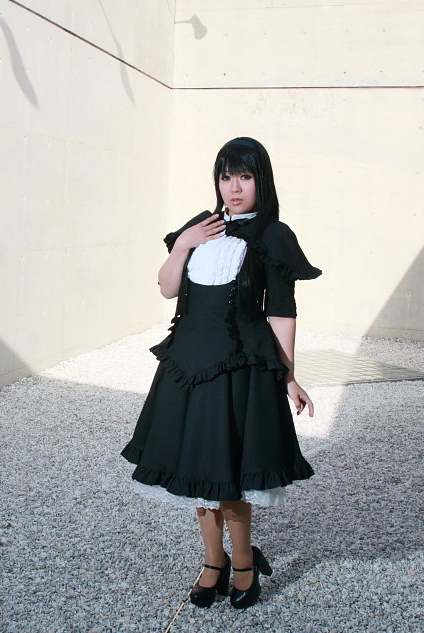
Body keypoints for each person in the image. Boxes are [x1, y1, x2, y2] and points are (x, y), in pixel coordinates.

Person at [121, 137, 321, 609]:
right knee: (198, 472)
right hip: (187, 367)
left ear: (261, 181)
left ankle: (245, 561)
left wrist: (288, 375)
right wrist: (184, 244)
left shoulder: (274, 236)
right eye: (226, 176)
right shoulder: (200, 226)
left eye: (245, 177)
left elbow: (282, 312)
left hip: (240, 370)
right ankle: (215, 562)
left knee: (231, 474)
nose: (234, 187)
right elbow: (167, 289)